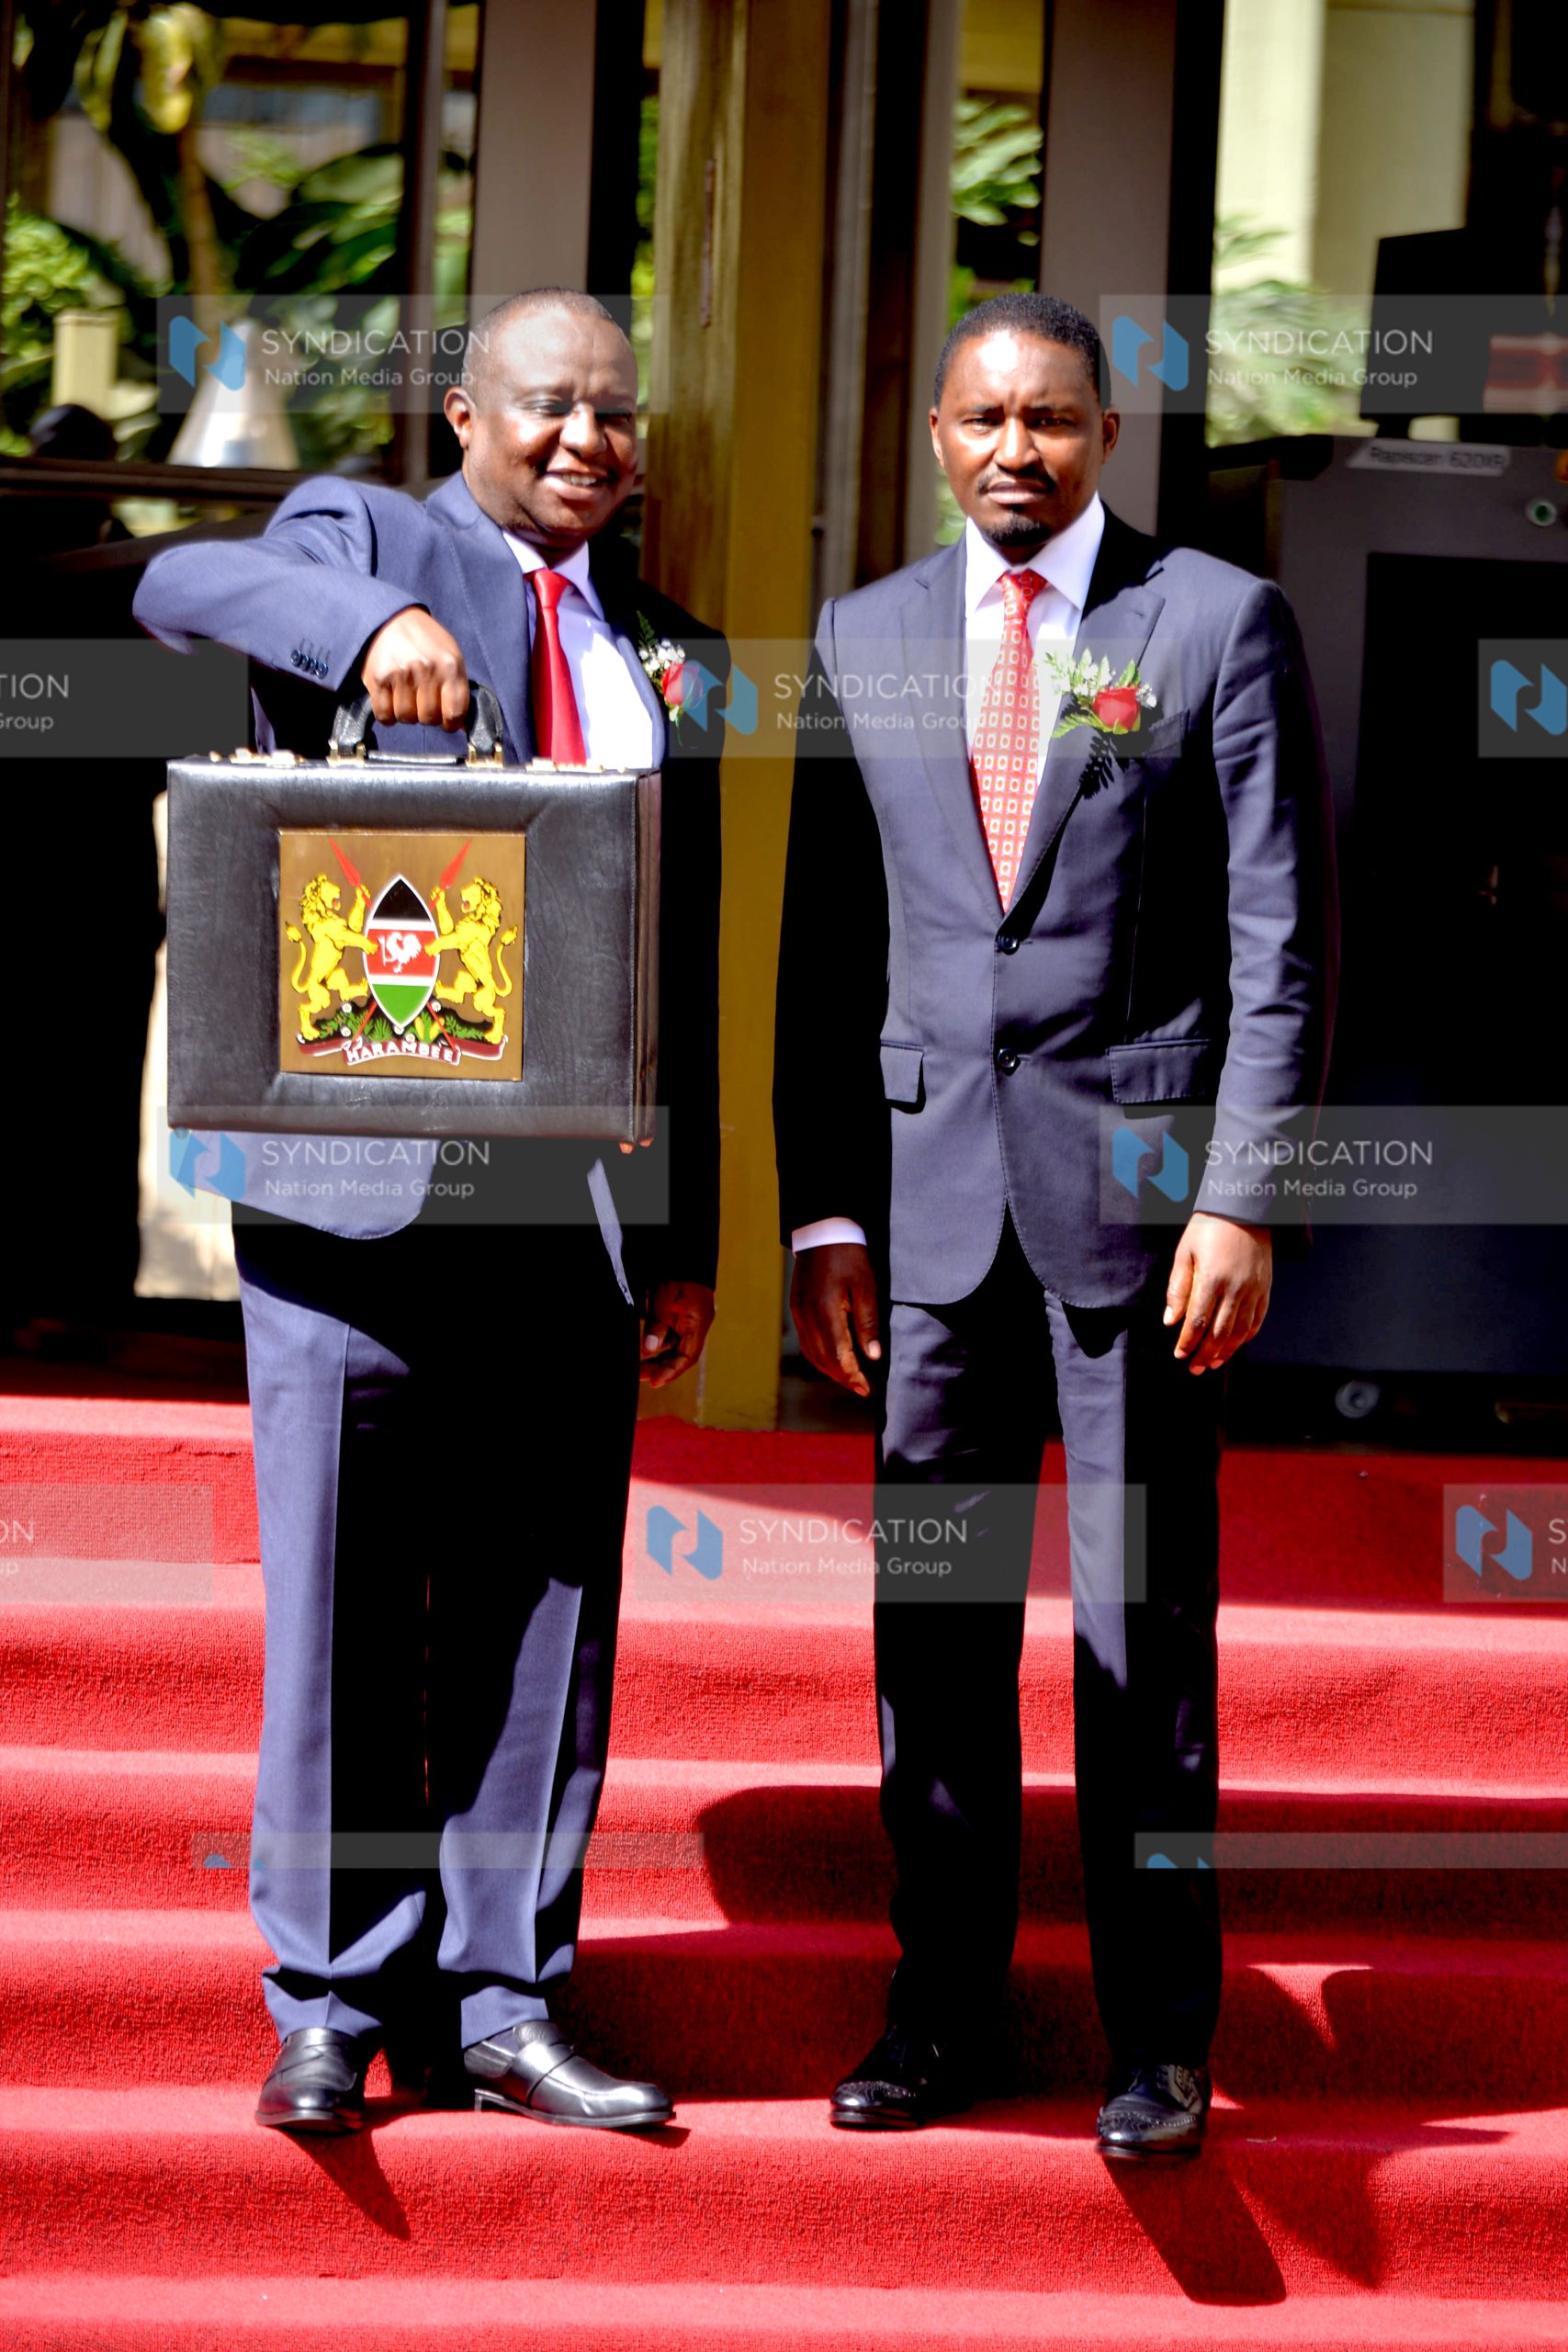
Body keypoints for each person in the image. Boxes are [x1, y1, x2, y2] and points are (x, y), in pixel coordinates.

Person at [135, 288, 724, 2133]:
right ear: (463, 412)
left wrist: (682, 1228)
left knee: (542, 1623)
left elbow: (676, 961)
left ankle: (502, 1998)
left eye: (615, 413)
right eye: (548, 405)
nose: (586, 440)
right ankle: (330, 1996)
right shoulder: (368, 535)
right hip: (357, 1202)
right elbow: (181, 583)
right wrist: (376, 626)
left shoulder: (669, 647)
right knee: (340, 1606)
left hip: (576, 1210)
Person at [773, 291, 1337, 2158]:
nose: (1016, 448)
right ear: (938, 436)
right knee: (931, 1635)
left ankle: (1158, 2039)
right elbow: (823, 954)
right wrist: (822, 1212)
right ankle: (938, 2010)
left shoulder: (1214, 620)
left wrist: (1242, 1190)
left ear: (1105, 433)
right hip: (928, 1222)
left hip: (1140, 1222)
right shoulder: (861, 635)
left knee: (1142, 1634)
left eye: (1052, 418)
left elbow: (1280, 937)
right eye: (984, 418)